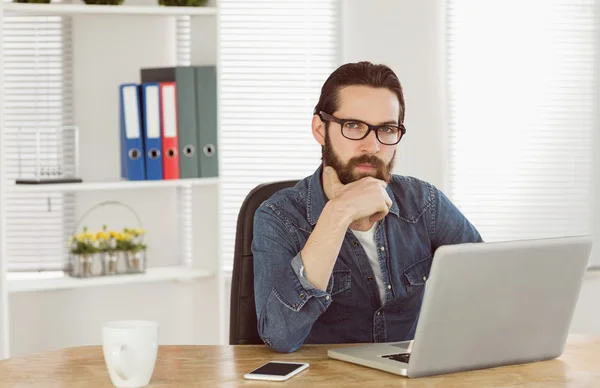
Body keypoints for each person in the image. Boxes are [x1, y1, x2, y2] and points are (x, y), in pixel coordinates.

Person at [251, 61, 483, 353]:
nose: (372, 146)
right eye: (354, 126)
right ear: (320, 130)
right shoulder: (278, 217)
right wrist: (337, 213)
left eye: (386, 129)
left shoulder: (425, 205)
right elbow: (280, 336)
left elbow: (488, 289)